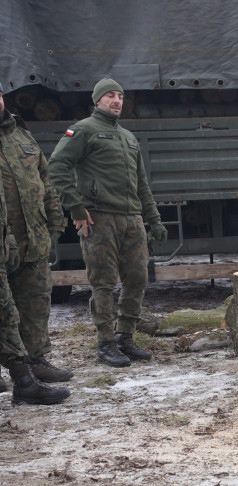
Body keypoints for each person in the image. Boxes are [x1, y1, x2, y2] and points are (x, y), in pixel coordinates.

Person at [49, 78, 167, 368]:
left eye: (120, 96)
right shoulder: (84, 129)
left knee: (137, 279)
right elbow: (56, 165)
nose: (116, 101)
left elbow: (142, 183)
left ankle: (125, 337)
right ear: (98, 100)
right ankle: (106, 343)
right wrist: (75, 207)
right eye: (110, 96)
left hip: (132, 220)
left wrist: (153, 219)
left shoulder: (128, 137)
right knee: (102, 283)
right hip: (99, 218)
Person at [0, 83, 74, 384]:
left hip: (32, 238)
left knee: (36, 301)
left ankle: (35, 360)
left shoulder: (20, 133)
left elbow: (46, 180)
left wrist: (55, 221)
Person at [1, 181, 71, 404]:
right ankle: (24, 380)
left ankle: (26, 376)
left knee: (10, 312)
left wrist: (7, 241)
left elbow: (45, 184)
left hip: (18, 241)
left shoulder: (23, 144)